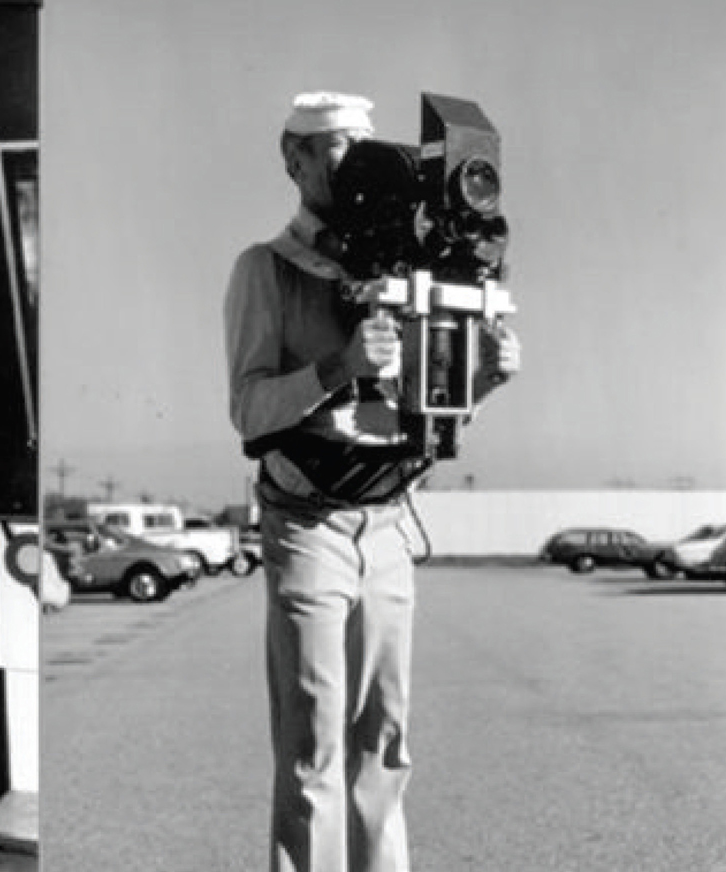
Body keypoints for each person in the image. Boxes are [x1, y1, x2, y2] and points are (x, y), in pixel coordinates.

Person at [223, 92, 521, 872]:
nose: (352, 159)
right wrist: (339, 366)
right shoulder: (267, 269)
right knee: (314, 747)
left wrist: (485, 378)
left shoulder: (403, 266)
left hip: (387, 520)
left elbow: (428, 409)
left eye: (362, 141)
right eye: (332, 146)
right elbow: (250, 411)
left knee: (385, 743)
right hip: (308, 522)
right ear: (293, 159)